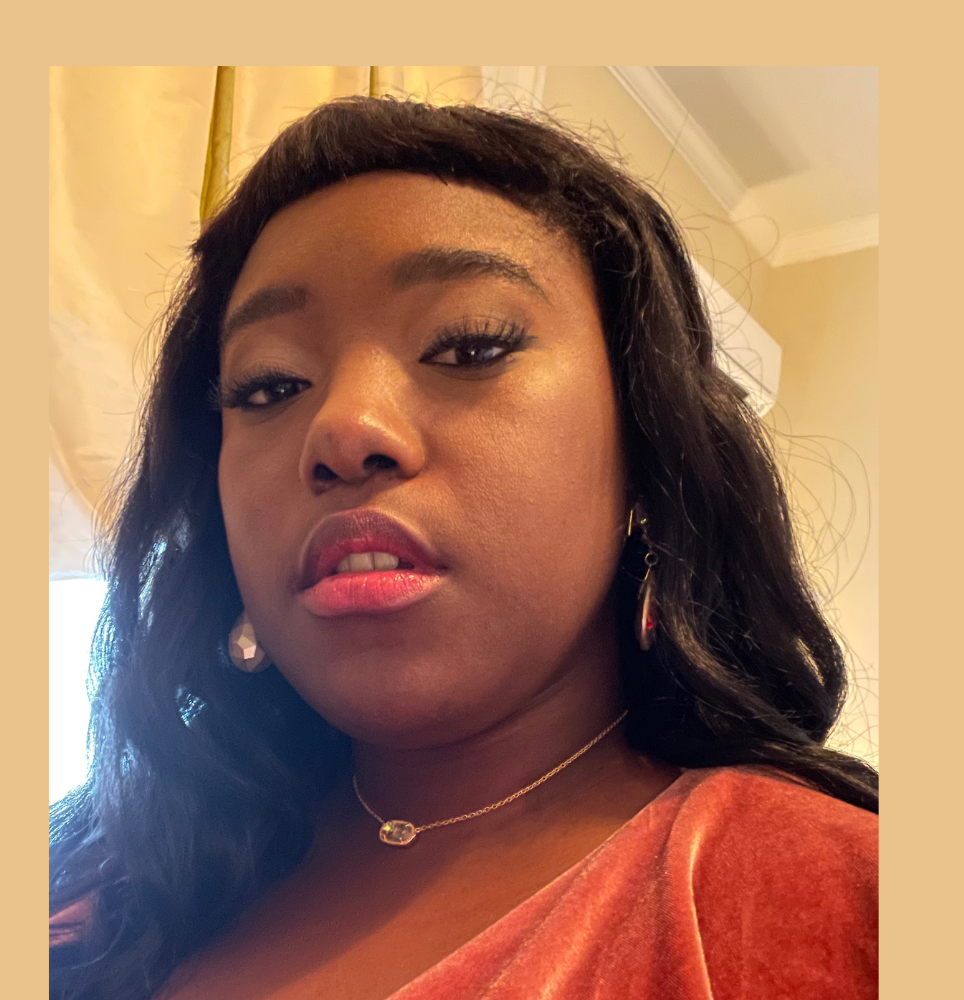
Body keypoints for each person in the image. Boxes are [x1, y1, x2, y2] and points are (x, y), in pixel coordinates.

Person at [49, 96, 878, 1000]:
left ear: (647, 452)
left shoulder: (851, 904)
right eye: (270, 384)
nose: (343, 428)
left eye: (470, 346)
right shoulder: (97, 882)